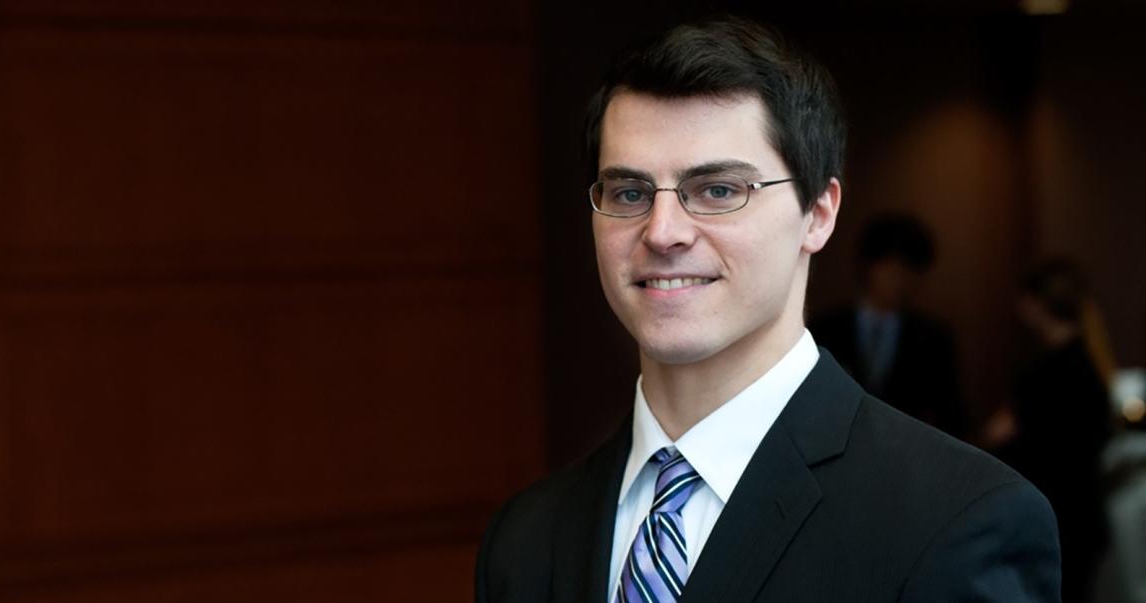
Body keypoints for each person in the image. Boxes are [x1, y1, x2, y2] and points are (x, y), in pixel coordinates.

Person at [475, 16, 1060, 603]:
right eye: (629, 193)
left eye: (719, 190)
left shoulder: (956, 521)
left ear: (818, 214)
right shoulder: (525, 539)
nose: (663, 232)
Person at [996, 259, 1113, 602]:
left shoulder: (1049, 371)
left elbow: (1035, 447)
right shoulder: (1087, 361)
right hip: (1079, 514)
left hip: (1056, 514)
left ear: (1035, 304)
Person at [810, 214, 968, 439]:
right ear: (869, 267)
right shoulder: (826, 329)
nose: (901, 281)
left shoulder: (933, 337)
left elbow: (951, 413)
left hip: (907, 451)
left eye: (911, 272)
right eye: (893, 269)